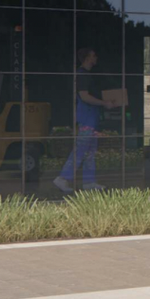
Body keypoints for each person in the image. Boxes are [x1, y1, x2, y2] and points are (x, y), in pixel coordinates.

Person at [53, 48, 113, 192]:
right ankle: (63, 178)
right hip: (87, 117)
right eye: (93, 55)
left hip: (90, 116)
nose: (96, 57)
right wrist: (104, 103)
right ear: (87, 58)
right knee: (81, 149)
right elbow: (85, 96)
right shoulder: (82, 75)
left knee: (90, 150)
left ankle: (89, 181)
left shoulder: (85, 75)